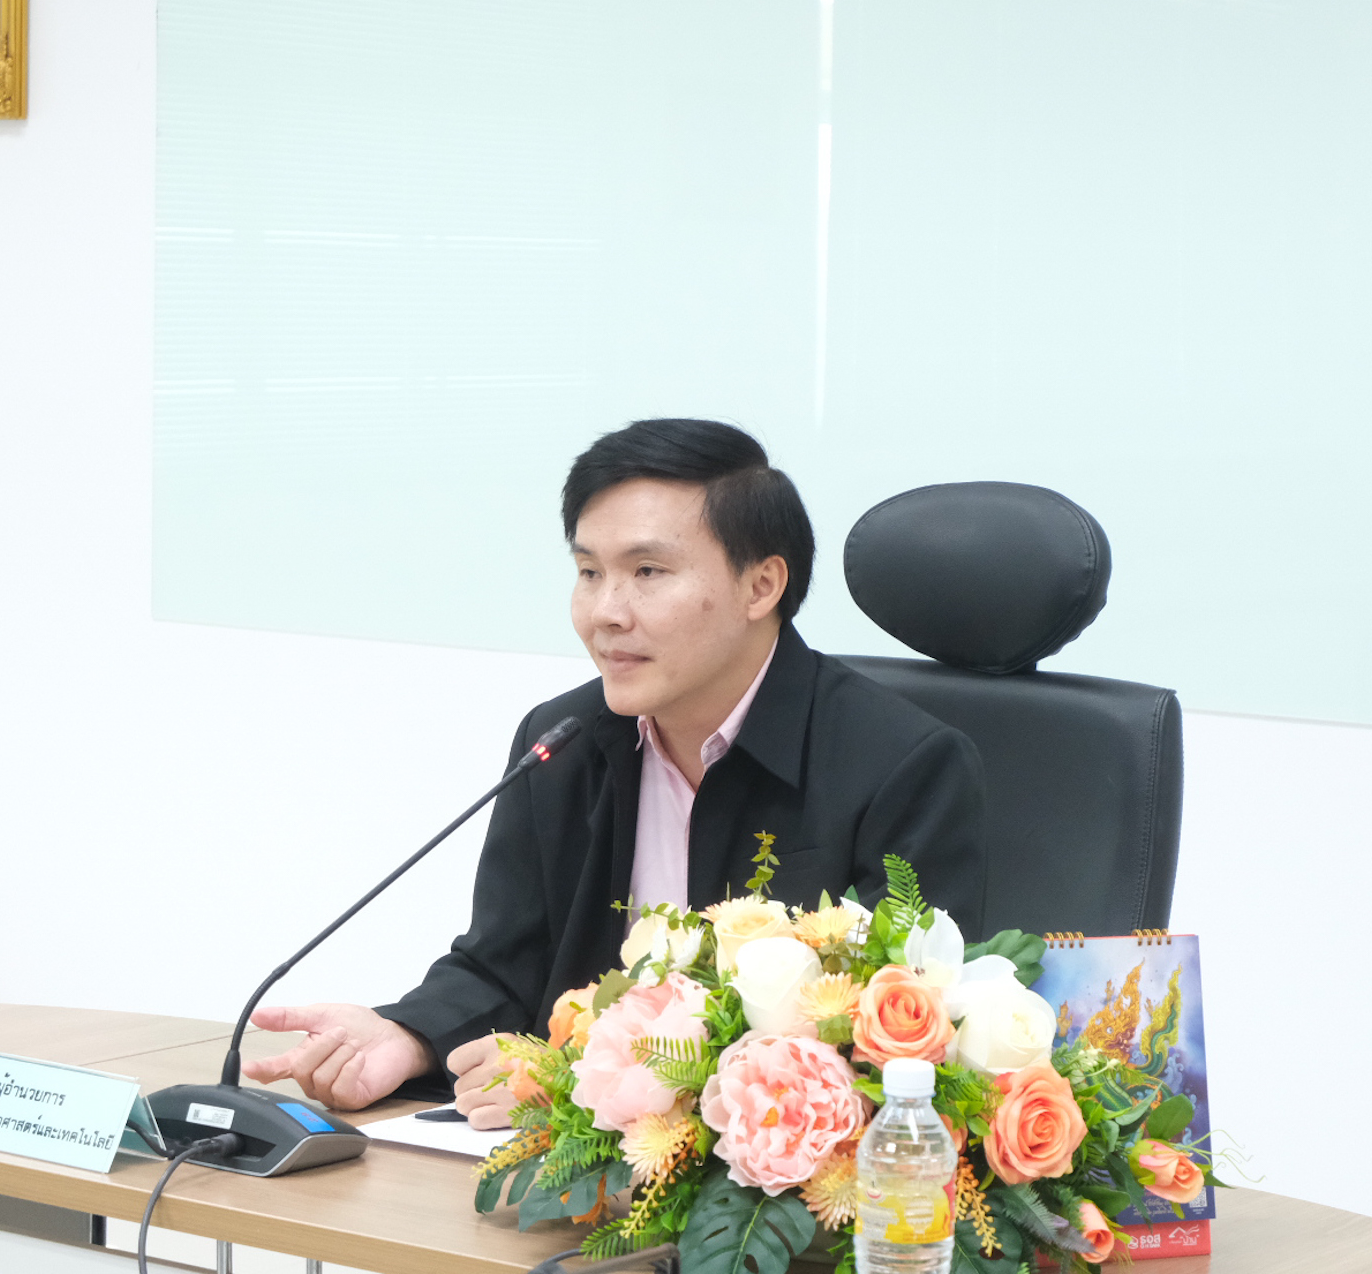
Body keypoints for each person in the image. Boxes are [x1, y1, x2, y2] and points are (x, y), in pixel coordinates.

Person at [242, 419, 987, 1125]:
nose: (605, 611)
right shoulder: (561, 744)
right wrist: (407, 1036)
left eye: (647, 571)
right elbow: (504, 966)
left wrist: (583, 1080)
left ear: (761, 587)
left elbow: (887, 1041)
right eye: (589, 572)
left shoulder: (904, 767)